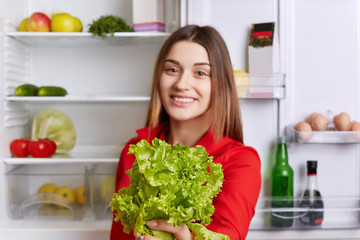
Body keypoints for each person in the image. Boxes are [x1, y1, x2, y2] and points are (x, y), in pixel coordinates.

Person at [110, 24, 261, 240]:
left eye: (200, 73)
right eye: (172, 69)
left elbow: (228, 236)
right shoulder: (135, 150)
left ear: (220, 85)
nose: (182, 84)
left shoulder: (240, 162)